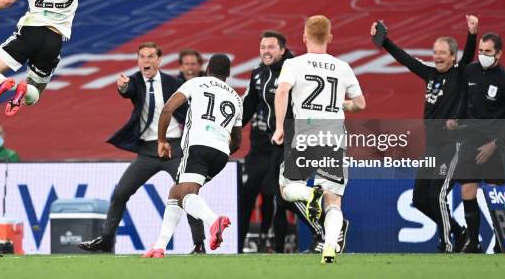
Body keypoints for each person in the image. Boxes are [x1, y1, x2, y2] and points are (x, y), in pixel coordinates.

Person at [78, 42, 206, 254]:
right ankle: (107, 240)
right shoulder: (135, 81)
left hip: (174, 149)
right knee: (120, 193)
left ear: (159, 60)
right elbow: (128, 91)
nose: (145, 61)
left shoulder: (172, 82)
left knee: (188, 194)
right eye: (142, 57)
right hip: (147, 151)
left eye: (150, 57)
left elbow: (187, 111)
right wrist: (123, 87)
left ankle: (199, 244)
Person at [371, 15, 478, 253]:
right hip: (432, 148)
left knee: (438, 195)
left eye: (443, 52)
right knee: (420, 199)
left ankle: (447, 245)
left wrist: (472, 34)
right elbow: (407, 60)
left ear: (453, 56)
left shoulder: (459, 74)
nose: (438, 56)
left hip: (452, 147)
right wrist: (385, 42)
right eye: (435, 51)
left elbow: (469, 54)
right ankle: (460, 232)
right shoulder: (430, 73)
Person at [272, 15, 366, 264]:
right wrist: (341, 104)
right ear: (330, 37)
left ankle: (308, 194)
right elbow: (360, 103)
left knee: (286, 188)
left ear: (304, 37)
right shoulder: (343, 67)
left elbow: (282, 91)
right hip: (334, 135)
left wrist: (280, 127)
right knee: (333, 200)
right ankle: (329, 249)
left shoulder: (294, 64)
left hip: (304, 133)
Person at [144, 54, 243, 258]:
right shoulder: (235, 97)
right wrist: (221, 149)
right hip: (222, 153)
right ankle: (159, 247)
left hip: (198, 145)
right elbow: (238, 141)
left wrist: (161, 140)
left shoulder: (196, 83)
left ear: (207, 69)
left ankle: (213, 220)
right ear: (229, 74)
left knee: (186, 194)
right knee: (176, 192)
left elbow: (168, 109)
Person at [241, 30, 329, 254]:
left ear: (282, 49)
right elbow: (248, 107)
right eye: (262, 47)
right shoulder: (259, 74)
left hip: (299, 137)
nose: (265, 51)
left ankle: (323, 228)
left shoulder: (298, 68)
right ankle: (322, 228)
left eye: (271, 47)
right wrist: (228, 132)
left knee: (282, 195)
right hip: (278, 142)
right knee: (282, 196)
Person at [450, 33, 505, 253]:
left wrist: (495, 144)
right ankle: (474, 242)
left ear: (499, 53)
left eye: (488, 52)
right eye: (481, 51)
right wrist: (457, 119)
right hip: (470, 140)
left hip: (493, 145)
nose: (483, 55)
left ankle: (502, 243)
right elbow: (465, 101)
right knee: (467, 189)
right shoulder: (470, 71)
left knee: (494, 194)